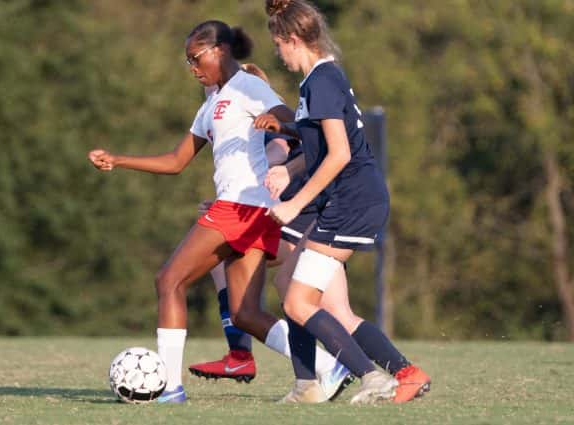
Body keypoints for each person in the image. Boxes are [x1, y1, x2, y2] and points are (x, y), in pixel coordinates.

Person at [89, 20, 314, 404]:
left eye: (196, 58)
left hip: (241, 206)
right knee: (245, 314)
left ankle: (169, 387)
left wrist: (281, 122)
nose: (192, 67)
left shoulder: (246, 85)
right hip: (251, 212)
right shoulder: (211, 104)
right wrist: (119, 159)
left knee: (169, 281)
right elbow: (177, 161)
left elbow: (297, 122)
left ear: (220, 51)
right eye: (187, 61)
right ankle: (326, 368)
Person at [261, 0, 431, 404]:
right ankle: (311, 384)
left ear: (293, 39)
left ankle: (371, 376)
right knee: (288, 284)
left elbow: (340, 155)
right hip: (350, 197)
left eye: (278, 44)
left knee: (299, 301)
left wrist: (292, 202)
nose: (278, 53)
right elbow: (324, 150)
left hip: (353, 200)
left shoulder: (321, 81)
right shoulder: (318, 80)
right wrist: (291, 168)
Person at [188, 64, 354, 401]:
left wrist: (252, 182)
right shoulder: (232, 119)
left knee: (337, 313)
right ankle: (242, 355)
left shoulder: (267, 122)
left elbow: (278, 151)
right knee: (229, 268)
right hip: (282, 221)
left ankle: (389, 372)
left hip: (304, 222)